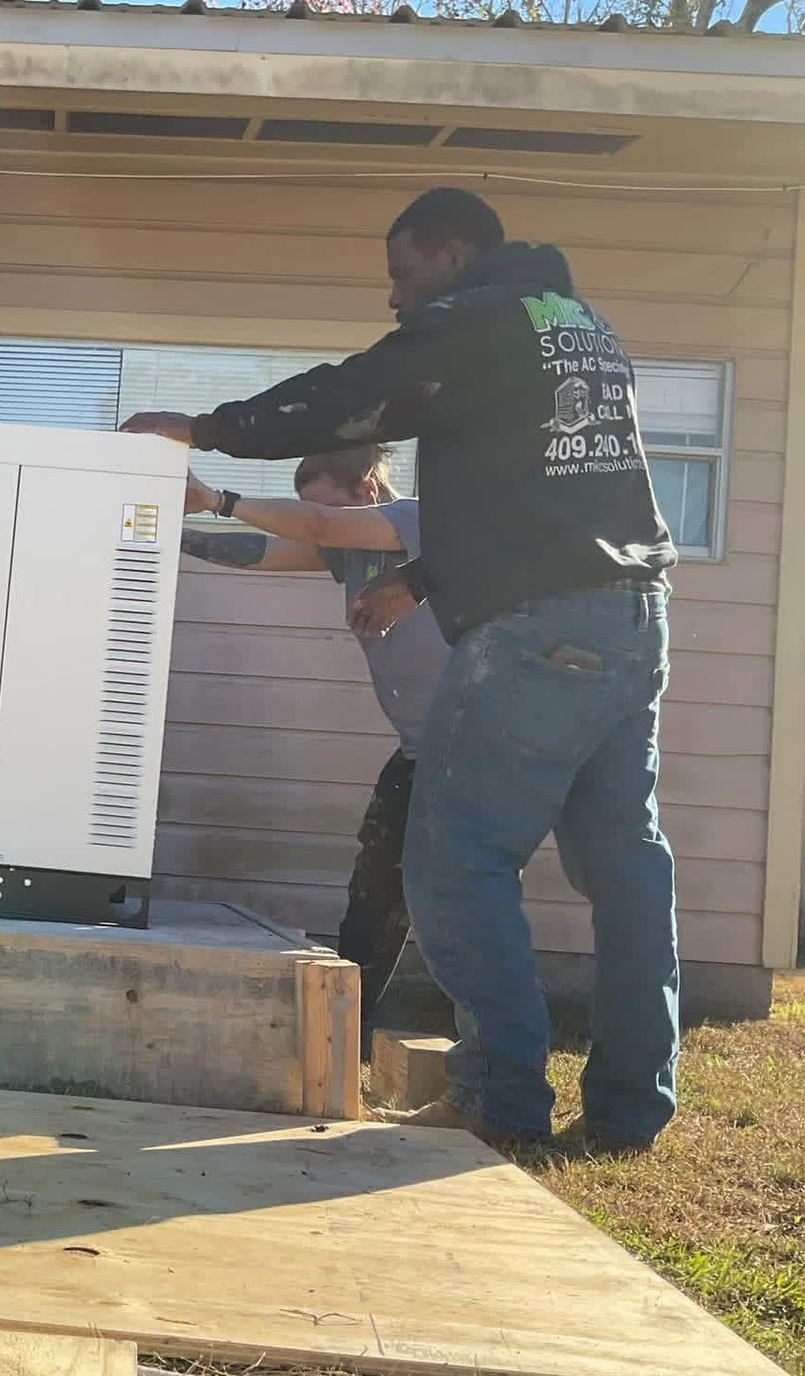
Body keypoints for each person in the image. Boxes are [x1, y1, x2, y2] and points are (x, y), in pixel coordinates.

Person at [126, 186, 679, 1151]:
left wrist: (204, 429)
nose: (395, 299)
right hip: (633, 617)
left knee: (454, 857)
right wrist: (422, 576)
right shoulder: (578, 324)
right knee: (626, 868)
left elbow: (354, 396)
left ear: (453, 254)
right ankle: (632, 1110)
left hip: (537, 628)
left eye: (403, 273)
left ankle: (500, 1100)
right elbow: (541, 498)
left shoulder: (478, 318)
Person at [179, 446, 448, 1042]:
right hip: (422, 747)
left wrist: (218, 500)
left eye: (323, 509)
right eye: (303, 509)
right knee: (378, 882)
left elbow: (318, 527)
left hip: (475, 742)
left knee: (429, 886)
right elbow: (264, 551)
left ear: (369, 490)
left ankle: (447, 1047)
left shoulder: (419, 521)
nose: (314, 522)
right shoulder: (349, 549)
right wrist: (177, 534)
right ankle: (346, 1034)